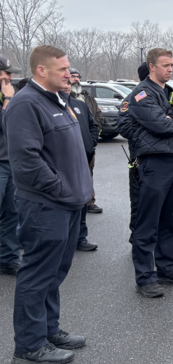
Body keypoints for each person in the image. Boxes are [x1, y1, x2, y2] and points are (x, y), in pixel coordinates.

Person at [6, 45, 93, 364]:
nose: (69, 74)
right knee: (37, 274)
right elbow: (26, 161)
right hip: (45, 206)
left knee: (54, 272)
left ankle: (48, 330)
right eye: (62, 69)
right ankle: (28, 347)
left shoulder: (59, 100)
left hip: (68, 204)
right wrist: (61, 189)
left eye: (69, 68)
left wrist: (77, 191)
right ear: (41, 71)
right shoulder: (25, 104)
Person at [125, 48, 173, 298]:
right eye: (165, 65)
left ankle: (167, 267)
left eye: (171, 65)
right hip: (154, 163)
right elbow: (162, 125)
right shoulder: (141, 94)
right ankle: (145, 277)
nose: (170, 69)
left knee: (171, 219)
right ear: (151, 66)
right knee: (148, 223)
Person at [118, 62, 150, 239]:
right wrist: (149, 137)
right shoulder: (133, 97)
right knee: (139, 199)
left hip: (162, 159)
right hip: (140, 158)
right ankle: (137, 236)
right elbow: (124, 127)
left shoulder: (164, 95)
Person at [69, 82, 100, 252]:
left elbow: (93, 126)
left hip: (83, 162)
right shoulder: (47, 105)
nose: (68, 84)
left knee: (81, 202)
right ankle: (64, 239)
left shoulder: (79, 105)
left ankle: (80, 237)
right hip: (61, 166)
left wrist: (90, 144)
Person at [69, 68, 104, 214]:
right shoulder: (64, 96)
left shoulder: (87, 97)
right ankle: (75, 202)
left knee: (88, 174)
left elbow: (98, 118)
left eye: (78, 76)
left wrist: (92, 139)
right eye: (73, 76)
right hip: (70, 146)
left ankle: (89, 201)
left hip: (87, 145)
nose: (76, 79)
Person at [0, 55, 22, 276]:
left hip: (10, 163)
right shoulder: (7, 98)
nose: (11, 78)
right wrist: (8, 101)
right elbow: (6, 126)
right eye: (7, 74)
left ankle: (8, 259)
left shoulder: (8, 97)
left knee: (12, 214)